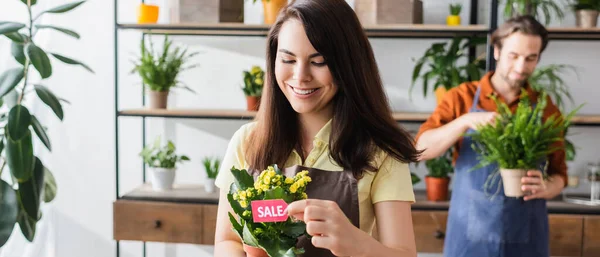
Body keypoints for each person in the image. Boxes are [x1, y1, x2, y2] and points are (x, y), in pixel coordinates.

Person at [213, 0, 420, 256]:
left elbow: (404, 253)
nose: (300, 76)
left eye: (319, 62)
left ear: (348, 65)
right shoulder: (247, 141)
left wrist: (358, 244)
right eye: (288, 59)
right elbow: (227, 240)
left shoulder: (380, 151)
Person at [416, 15, 567, 257]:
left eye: (531, 58)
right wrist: (466, 121)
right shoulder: (462, 97)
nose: (521, 67)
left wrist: (549, 186)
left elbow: (560, 174)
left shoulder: (545, 108)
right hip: (469, 236)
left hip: (527, 235)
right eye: (513, 56)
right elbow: (420, 149)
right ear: (496, 50)